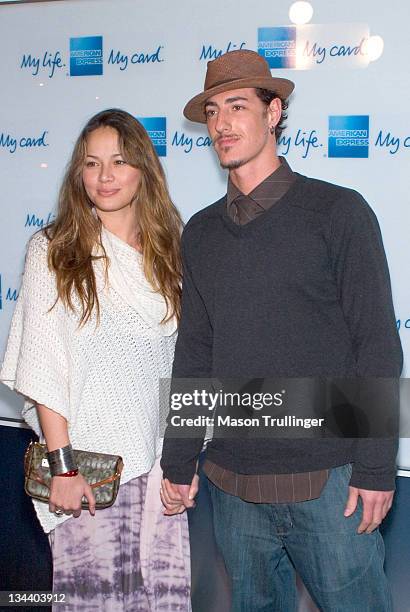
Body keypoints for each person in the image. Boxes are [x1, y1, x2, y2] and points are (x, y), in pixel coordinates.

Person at [160, 50, 402, 611]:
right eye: (213, 110)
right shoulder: (200, 233)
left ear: (274, 113)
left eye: (238, 106)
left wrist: (374, 468)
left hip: (331, 486)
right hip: (231, 485)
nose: (221, 123)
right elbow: (195, 353)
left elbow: (377, 345)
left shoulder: (339, 213)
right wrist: (178, 460)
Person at [1, 108, 191, 611]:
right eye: (91, 163)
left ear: (143, 171)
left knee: (162, 602)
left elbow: (180, 368)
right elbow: (45, 367)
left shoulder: (170, 255)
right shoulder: (54, 250)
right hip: (88, 476)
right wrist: (62, 469)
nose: (104, 177)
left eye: (119, 161)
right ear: (78, 173)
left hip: (156, 473)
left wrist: (180, 464)